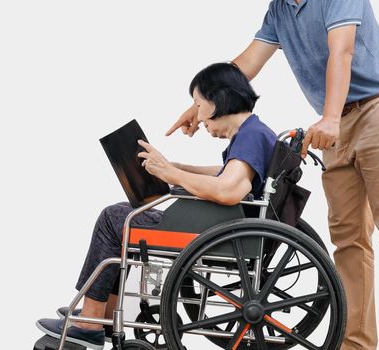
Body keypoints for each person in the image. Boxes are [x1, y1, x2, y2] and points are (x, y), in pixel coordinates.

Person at [167, 1, 379, 349]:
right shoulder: (280, 10)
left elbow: (340, 52)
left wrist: (329, 118)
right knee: (349, 242)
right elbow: (242, 67)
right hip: (334, 127)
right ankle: (355, 344)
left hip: (377, 112)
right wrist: (200, 107)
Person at [35, 62, 277, 350]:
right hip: (222, 227)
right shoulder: (255, 132)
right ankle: (100, 314)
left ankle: (91, 321)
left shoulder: (251, 134)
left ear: (218, 100)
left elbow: (229, 190)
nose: (198, 118)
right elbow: (226, 173)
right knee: (121, 216)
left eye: (199, 105)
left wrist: (170, 174)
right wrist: (173, 167)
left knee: (114, 218)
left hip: (214, 231)